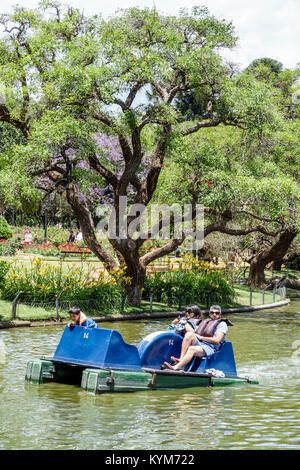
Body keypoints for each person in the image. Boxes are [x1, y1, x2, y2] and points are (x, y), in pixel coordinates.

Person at [163, 305, 233, 370]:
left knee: (191, 349)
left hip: (210, 348)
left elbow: (217, 340)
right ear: (209, 313)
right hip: (201, 344)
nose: (214, 314)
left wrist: (201, 337)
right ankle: (181, 359)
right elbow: (195, 329)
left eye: (217, 313)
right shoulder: (207, 321)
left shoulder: (222, 324)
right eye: (212, 312)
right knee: (189, 334)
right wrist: (179, 323)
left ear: (220, 314)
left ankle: (176, 368)